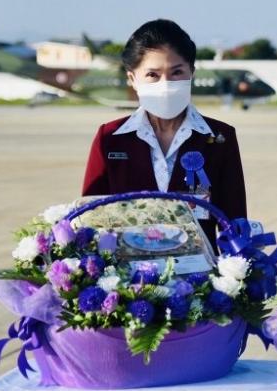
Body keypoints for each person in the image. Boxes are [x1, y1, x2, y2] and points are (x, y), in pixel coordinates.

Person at [82, 19, 246, 245]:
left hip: (200, 267)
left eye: (176, 72)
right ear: (132, 79)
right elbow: (90, 218)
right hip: (127, 266)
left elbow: (234, 221)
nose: (166, 84)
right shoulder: (110, 138)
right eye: (152, 75)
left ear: (191, 73)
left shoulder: (220, 137)